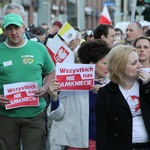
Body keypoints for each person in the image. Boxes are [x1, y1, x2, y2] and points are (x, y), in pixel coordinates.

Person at [0, 13, 55, 150]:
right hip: (6, 115)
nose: (13, 32)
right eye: (9, 28)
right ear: (4, 30)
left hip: (34, 113)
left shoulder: (39, 48)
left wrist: (45, 86)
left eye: (17, 28)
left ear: (24, 28)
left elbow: (51, 71)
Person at [47, 39, 110, 150]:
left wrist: (106, 93)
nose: (108, 67)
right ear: (92, 65)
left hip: (103, 141)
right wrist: (55, 97)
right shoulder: (73, 84)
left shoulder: (112, 84)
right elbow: (58, 116)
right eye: (104, 63)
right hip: (77, 142)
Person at [96, 45, 150, 150]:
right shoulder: (105, 93)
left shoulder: (145, 85)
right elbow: (102, 130)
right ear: (119, 66)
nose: (139, 65)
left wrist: (148, 85)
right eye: (134, 63)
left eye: (138, 61)